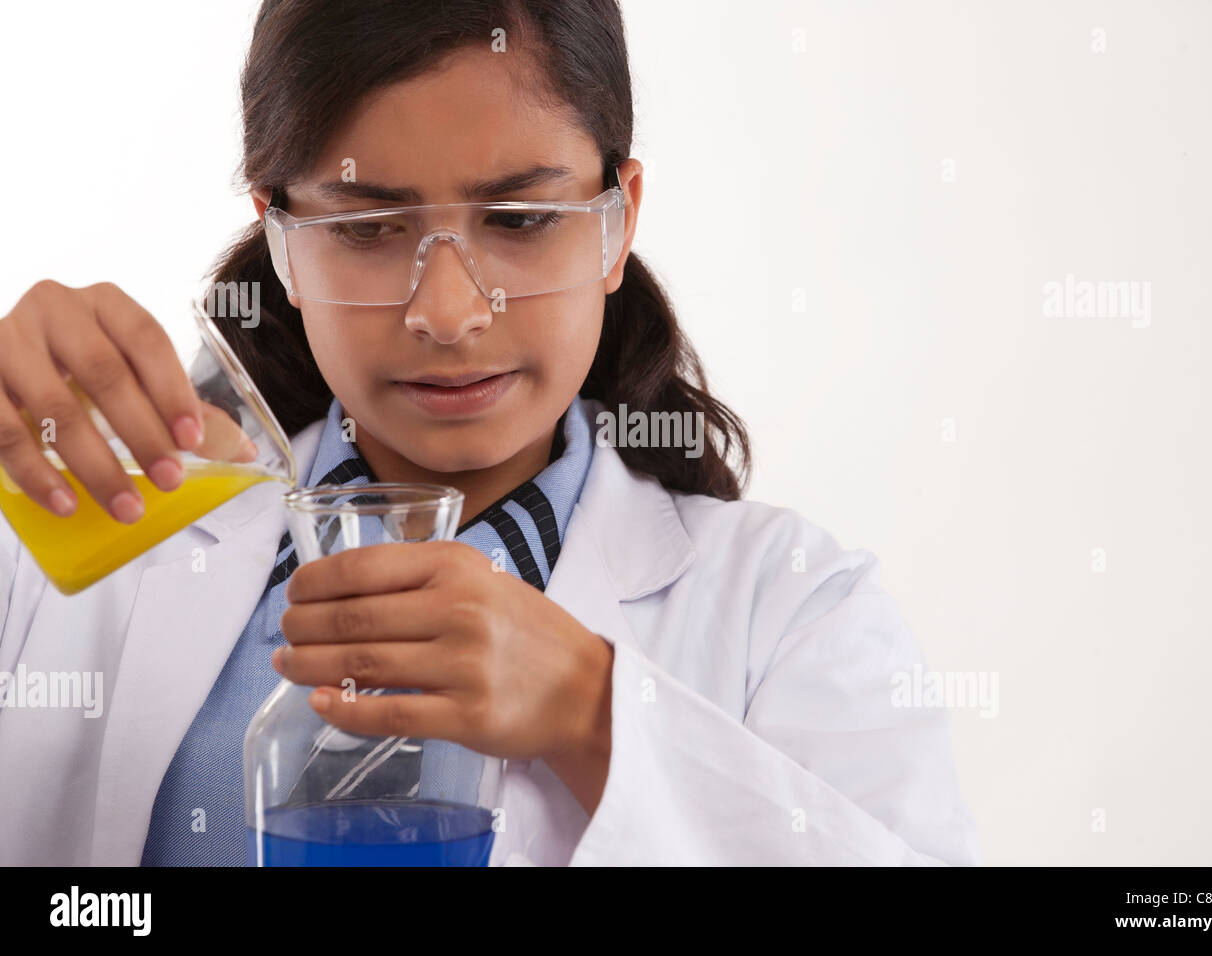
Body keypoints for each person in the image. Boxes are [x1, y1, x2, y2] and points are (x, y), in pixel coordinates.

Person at [0, 0, 980, 866]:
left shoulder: (795, 613)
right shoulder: (78, 539)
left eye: (517, 217)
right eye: (367, 227)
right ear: (282, 243)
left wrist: (593, 713)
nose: (449, 310)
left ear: (614, 220)